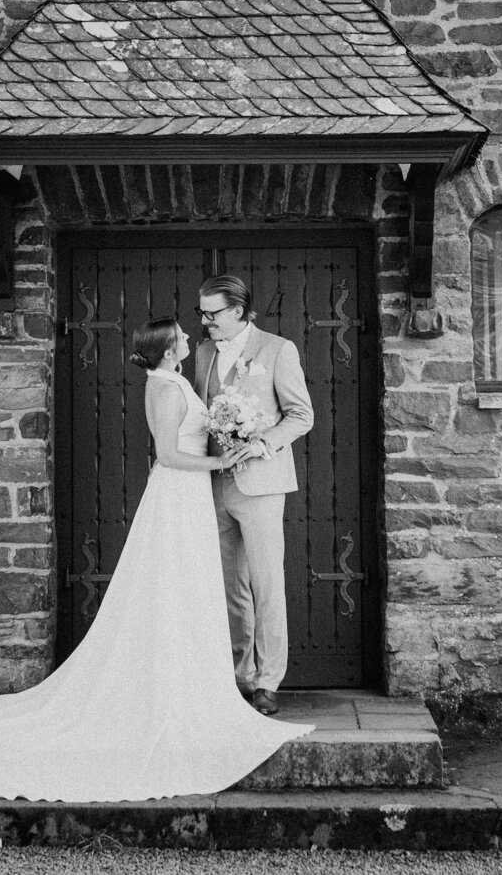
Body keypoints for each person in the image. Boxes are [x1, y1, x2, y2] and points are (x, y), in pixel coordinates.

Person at [0, 317, 310, 802]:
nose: (192, 336)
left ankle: (198, 681)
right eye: (182, 336)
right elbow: (168, 455)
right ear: (169, 350)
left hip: (192, 495)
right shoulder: (166, 388)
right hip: (181, 489)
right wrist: (220, 461)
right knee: (177, 583)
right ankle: (178, 688)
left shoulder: (173, 378)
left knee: (190, 586)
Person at [194, 275, 314, 716]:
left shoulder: (278, 350)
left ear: (239, 311)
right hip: (215, 483)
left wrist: (262, 443)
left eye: (213, 313)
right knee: (230, 585)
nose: (205, 322)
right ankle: (240, 675)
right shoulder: (203, 353)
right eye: (202, 313)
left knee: (266, 584)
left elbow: (301, 415)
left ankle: (268, 682)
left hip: (261, 484)